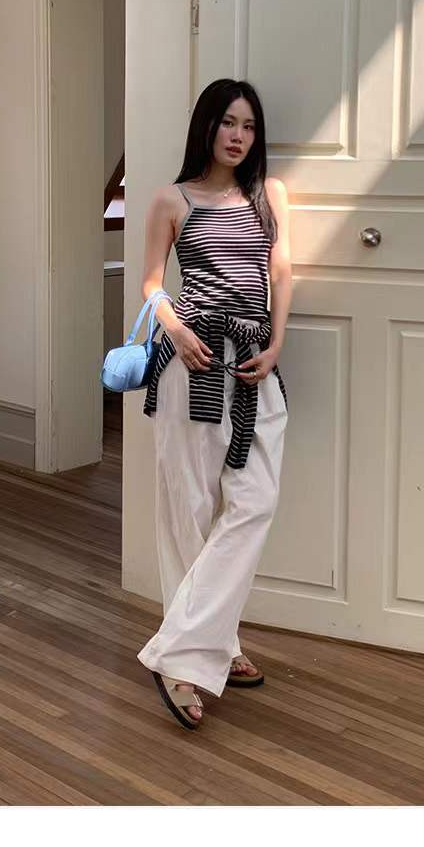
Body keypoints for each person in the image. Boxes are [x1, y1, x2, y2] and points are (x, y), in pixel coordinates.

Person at [136, 78, 291, 730]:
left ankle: (186, 646)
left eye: (249, 125)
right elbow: (151, 280)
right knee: (190, 511)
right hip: (192, 362)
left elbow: (281, 270)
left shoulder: (269, 195)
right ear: (206, 125)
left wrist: (277, 343)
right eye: (228, 122)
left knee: (255, 501)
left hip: (253, 363)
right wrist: (173, 328)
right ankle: (205, 651)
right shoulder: (171, 199)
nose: (238, 135)